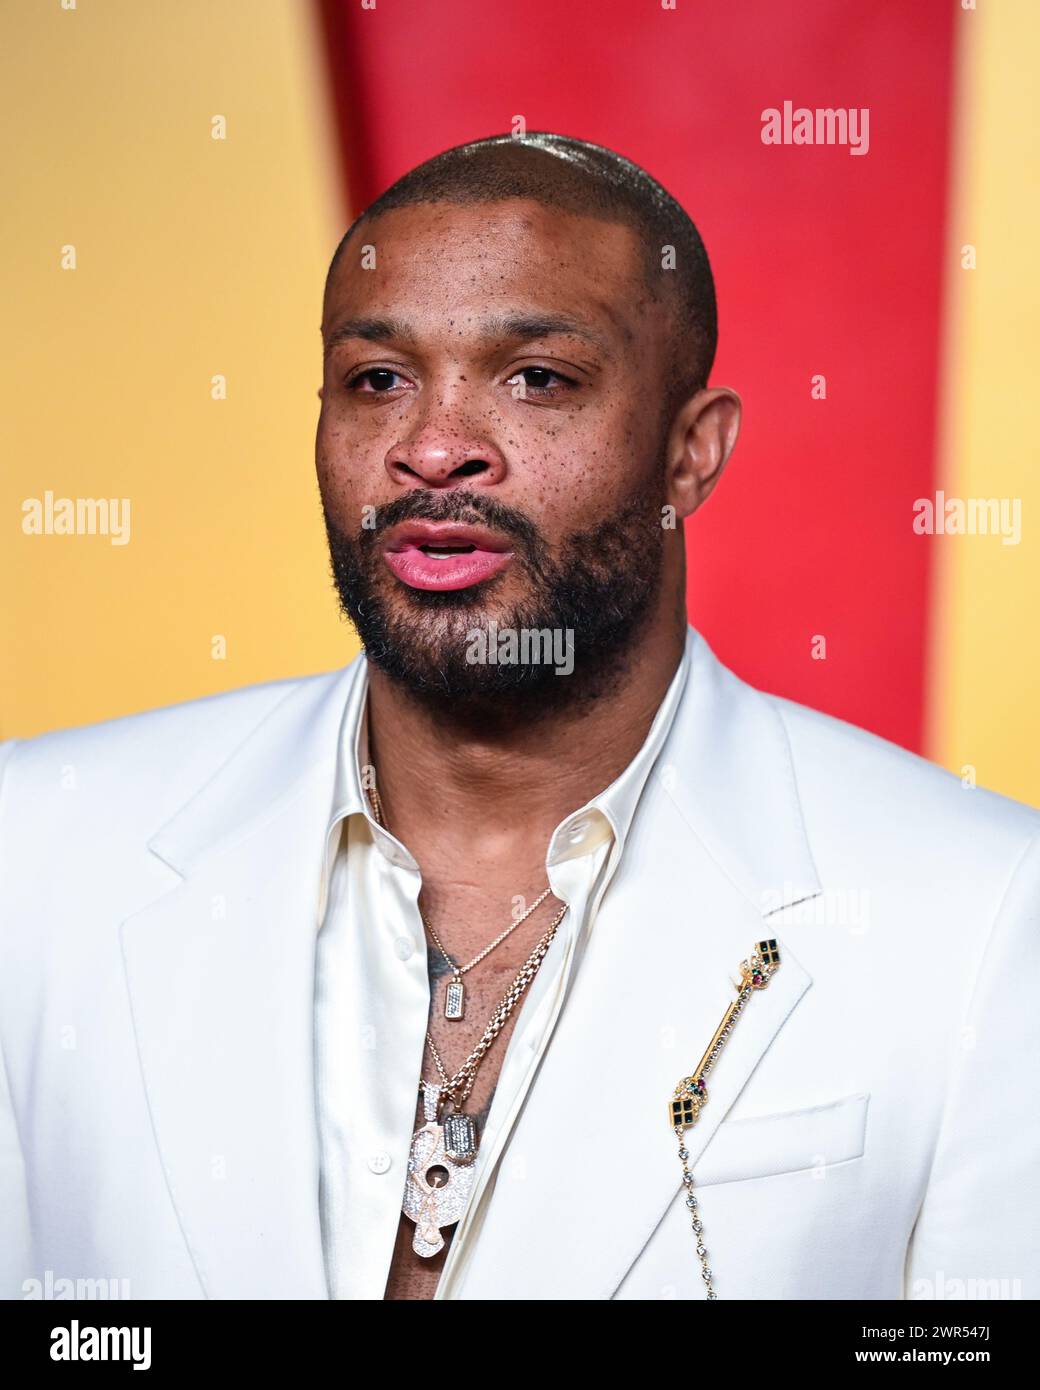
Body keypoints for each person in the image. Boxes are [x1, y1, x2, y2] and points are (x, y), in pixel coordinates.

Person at [1, 133, 1037, 1302]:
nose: (433, 449)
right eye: (376, 379)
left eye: (536, 378)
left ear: (690, 454)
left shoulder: (979, 913)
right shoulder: (38, 850)